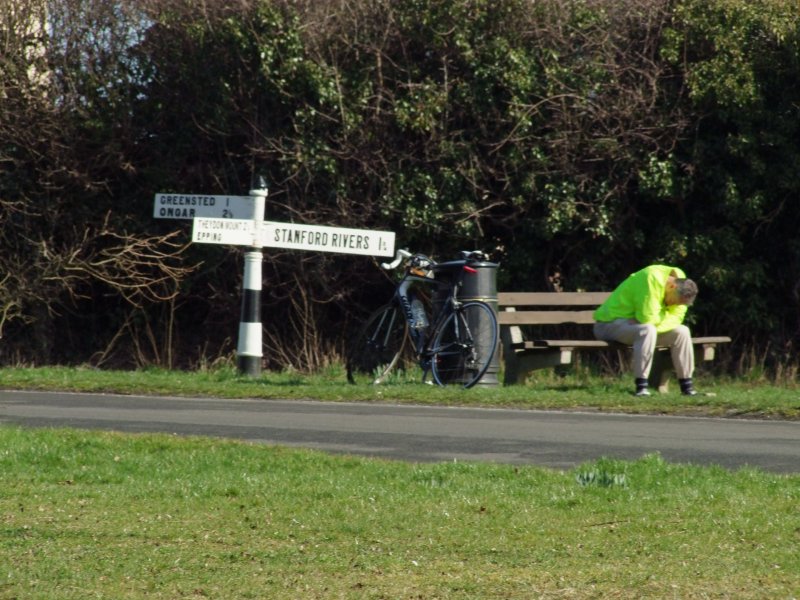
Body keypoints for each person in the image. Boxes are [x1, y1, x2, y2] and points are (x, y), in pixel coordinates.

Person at [593, 265, 699, 397]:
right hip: (608, 325)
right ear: (672, 287)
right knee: (647, 330)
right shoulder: (651, 277)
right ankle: (641, 387)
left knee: (682, 331)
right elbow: (647, 317)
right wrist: (649, 322)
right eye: (675, 302)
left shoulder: (681, 284)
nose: (675, 305)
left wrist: (649, 322)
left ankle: (687, 388)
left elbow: (676, 319)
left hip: (637, 328)